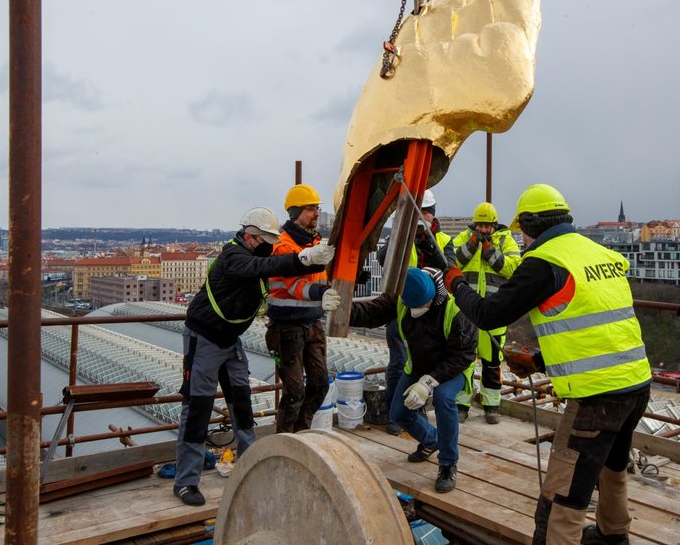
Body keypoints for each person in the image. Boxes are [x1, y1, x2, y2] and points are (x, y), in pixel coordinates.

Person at [445, 184, 652, 545]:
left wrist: (456, 285)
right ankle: (613, 534)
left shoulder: (545, 261)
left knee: (561, 497)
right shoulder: (595, 251)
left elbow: (489, 313)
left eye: (522, 230)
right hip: (637, 382)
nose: (521, 238)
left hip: (597, 396)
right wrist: (539, 361)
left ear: (529, 224)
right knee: (612, 464)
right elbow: (598, 329)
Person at [174, 207, 335, 507]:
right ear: (250, 237)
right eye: (265, 240)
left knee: (242, 403)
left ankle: (252, 467)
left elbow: (278, 268)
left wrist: (312, 266)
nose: (270, 246)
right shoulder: (232, 256)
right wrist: (303, 258)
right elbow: (260, 268)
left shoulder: (255, 253)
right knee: (198, 406)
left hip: (229, 340)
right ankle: (185, 482)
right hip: (205, 337)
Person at [348, 267, 476, 493]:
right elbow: (371, 313)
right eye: (411, 306)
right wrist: (344, 309)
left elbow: (463, 355)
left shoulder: (456, 310)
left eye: (421, 306)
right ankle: (430, 440)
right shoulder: (403, 297)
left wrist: (429, 383)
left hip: (451, 367)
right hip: (418, 366)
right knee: (399, 412)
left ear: (432, 298)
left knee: (444, 400)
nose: (416, 310)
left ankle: (447, 463)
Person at [376, 188, 455, 435]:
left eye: (425, 214)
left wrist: (429, 246)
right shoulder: (401, 234)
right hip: (401, 308)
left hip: (431, 312)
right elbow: (382, 257)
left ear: (432, 215)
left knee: (426, 362)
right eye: (417, 213)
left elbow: (449, 267)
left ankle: (417, 410)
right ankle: (395, 413)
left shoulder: (443, 241)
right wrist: (399, 237)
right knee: (399, 361)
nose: (421, 218)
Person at [265, 184, 342, 433]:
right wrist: (321, 293)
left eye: (317, 208)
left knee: (320, 385)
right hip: (287, 327)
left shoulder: (315, 243)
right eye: (311, 208)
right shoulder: (283, 246)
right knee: (294, 393)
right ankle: (284, 443)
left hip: (311, 324)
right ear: (296, 211)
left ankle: (300, 434)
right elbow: (294, 286)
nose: (317, 213)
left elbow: (320, 278)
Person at [450, 201, 521, 424]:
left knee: (492, 363)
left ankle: (492, 407)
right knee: (465, 362)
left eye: (486, 226)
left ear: (494, 225)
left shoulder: (506, 240)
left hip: (494, 314)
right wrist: (472, 246)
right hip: (466, 313)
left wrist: (490, 252)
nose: (482, 230)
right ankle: (462, 405)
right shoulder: (464, 237)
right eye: (479, 226)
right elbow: (452, 261)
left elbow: (512, 268)